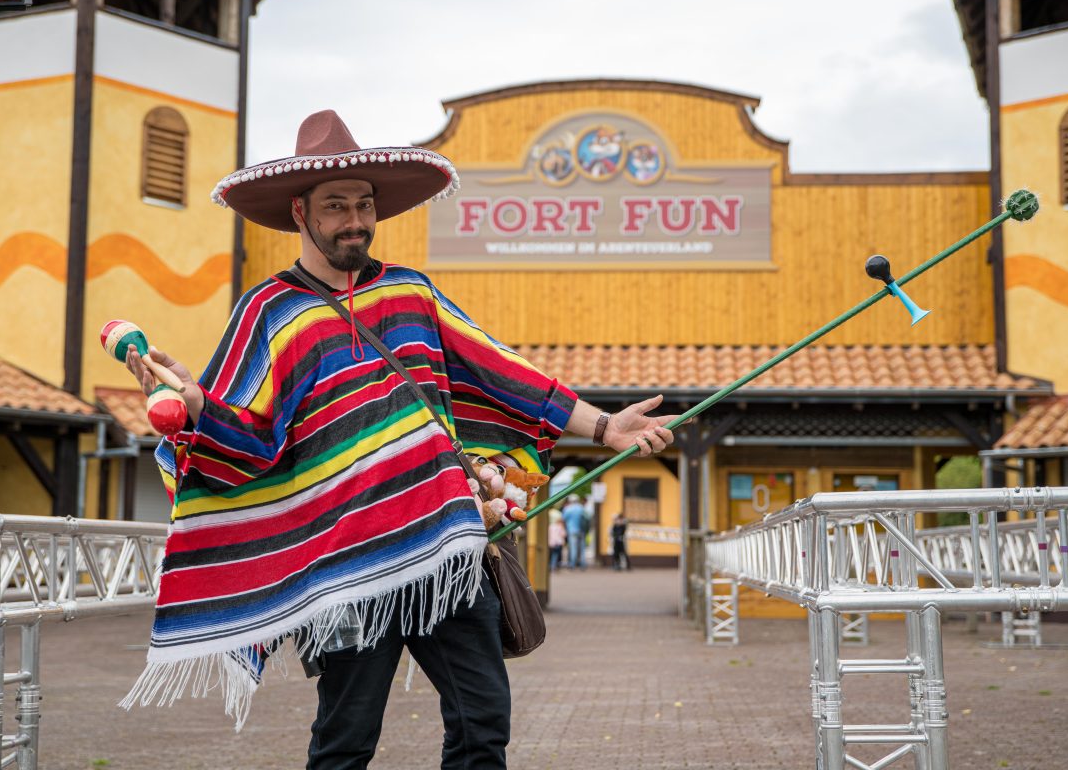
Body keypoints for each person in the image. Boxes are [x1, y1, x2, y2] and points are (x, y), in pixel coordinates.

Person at [119, 110, 674, 769]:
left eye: (363, 205)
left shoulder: (412, 292)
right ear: (300, 212)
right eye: (335, 207)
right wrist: (197, 405)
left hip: (445, 548)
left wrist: (606, 426)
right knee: (346, 741)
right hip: (348, 566)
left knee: (483, 723)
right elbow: (251, 436)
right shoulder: (269, 311)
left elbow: (502, 371)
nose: (354, 220)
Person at [561, 495, 587, 570]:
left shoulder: (568, 509)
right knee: (582, 548)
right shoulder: (581, 508)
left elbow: (563, 519)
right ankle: (583, 564)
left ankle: (572, 565)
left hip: (572, 530)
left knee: (573, 548)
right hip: (582, 530)